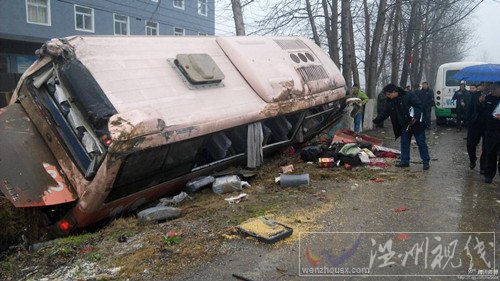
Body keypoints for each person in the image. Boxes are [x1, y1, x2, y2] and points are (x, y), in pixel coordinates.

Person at [373, 84, 431, 170]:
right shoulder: (390, 101)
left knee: (421, 143)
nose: (387, 96)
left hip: (416, 124)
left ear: (394, 92)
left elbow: (419, 106)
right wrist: (375, 121)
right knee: (404, 143)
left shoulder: (409, 95)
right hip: (404, 125)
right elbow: (384, 113)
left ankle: (426, 162)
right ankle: (404, 161)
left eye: (388, 94)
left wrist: (416, 117)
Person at [466, 83, 487, 172]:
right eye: (483, 84)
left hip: (487, 125)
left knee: (487, 146)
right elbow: (470, 109)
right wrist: (479, 102)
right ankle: (472, 159)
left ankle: (483, 166)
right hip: (475, 123)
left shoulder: (493, 95)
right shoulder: (475, 95)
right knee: (470, 144)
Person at [481, 82, 500, 184]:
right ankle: (489, 175)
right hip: (490, 131)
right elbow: (482, 112)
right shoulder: (488, 98)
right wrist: (481, 102)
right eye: (492, 89)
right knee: (490, 153)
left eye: (495, 89)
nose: (493, 90)